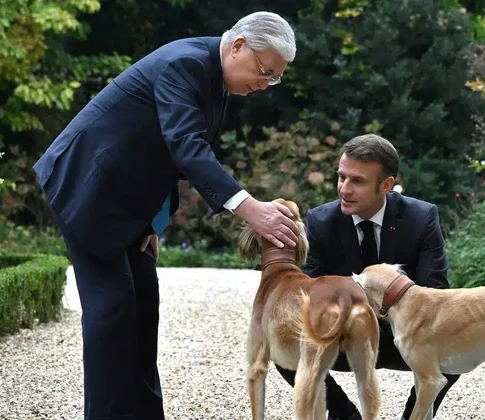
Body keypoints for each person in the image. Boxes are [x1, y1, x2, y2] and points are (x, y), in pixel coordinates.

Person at [32, 11, 300, 420]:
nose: (265, 84)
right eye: (264, 71)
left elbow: (164, 156)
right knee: (112, 311)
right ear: (239, 45)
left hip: (128, 202)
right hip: (88, 187)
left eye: (274, 78)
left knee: (144, 304)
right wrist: (251, 211)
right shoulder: (185, 64)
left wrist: (152, 222)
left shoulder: (216, 78)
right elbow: (186, 147)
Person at [274, 134, 461, 420]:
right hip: (343, 335)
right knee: (285, 352)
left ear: (386, 185)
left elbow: (435, 291)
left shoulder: (421, 218)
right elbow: (305, 296)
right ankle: (345, 415)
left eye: (357, 181)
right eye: (341, 177)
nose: (344, 189)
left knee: (455, 354)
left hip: (402, 335)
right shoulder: (320, 222)